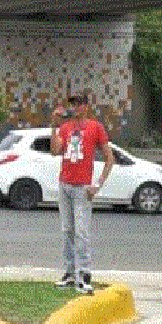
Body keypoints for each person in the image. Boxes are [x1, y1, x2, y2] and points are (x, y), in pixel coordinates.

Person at [50, 92, 115, 295]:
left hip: (83, 186)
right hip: (65, 183)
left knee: (82, 231)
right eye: (73, 104)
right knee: (67, 229)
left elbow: (109, 157)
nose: (75, 107)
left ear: (86, 107)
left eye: (79, 104)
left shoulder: (95, 127)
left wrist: (98, 184)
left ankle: (84, 274)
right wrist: (54, 126)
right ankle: (70, 273)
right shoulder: (66, 128)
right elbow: (55, 151)